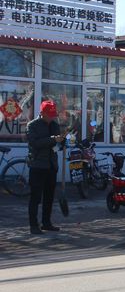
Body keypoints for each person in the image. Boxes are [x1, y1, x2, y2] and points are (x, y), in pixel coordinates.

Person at [27, 100, 64, 234]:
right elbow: (35, 143)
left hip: (51, 165)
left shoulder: (54, 125)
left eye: (53, 115)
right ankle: (33, 225)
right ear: (42, 113)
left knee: (49, 197)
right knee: (35, 197)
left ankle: (46, 223)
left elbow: (57, 144)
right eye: (49, 115)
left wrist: (63, 141)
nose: (51, 118)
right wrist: (54, 139)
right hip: (37, 165)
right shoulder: (32, 125)